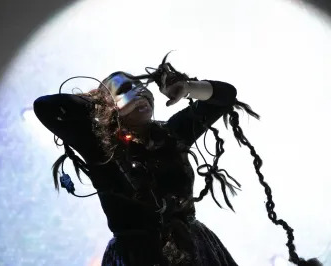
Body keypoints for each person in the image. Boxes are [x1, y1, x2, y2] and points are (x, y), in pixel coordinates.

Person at [34, 59, 322, 266]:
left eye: (139, 87)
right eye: (123, 91)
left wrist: (186, 86)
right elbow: (45, 108)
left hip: (196, 247)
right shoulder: (100, 147)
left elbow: (225, 97)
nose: (138, 93)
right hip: (137, 256)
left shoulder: (174, 132)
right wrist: (103, 103)